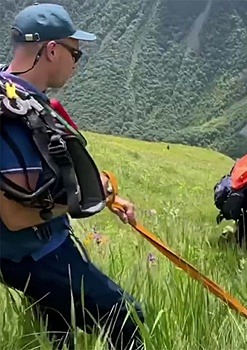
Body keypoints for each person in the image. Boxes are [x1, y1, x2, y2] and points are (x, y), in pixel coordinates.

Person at [0, 3, 144, 349]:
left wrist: (108, 195)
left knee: (58, 337)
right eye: (75, 54)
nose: (77, 64)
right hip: (33, 255)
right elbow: (15, 216)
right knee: (130, 318)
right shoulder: (9, 118)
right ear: (51, 50)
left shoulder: (19, 96)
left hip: (39, 249)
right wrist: (88, 198)